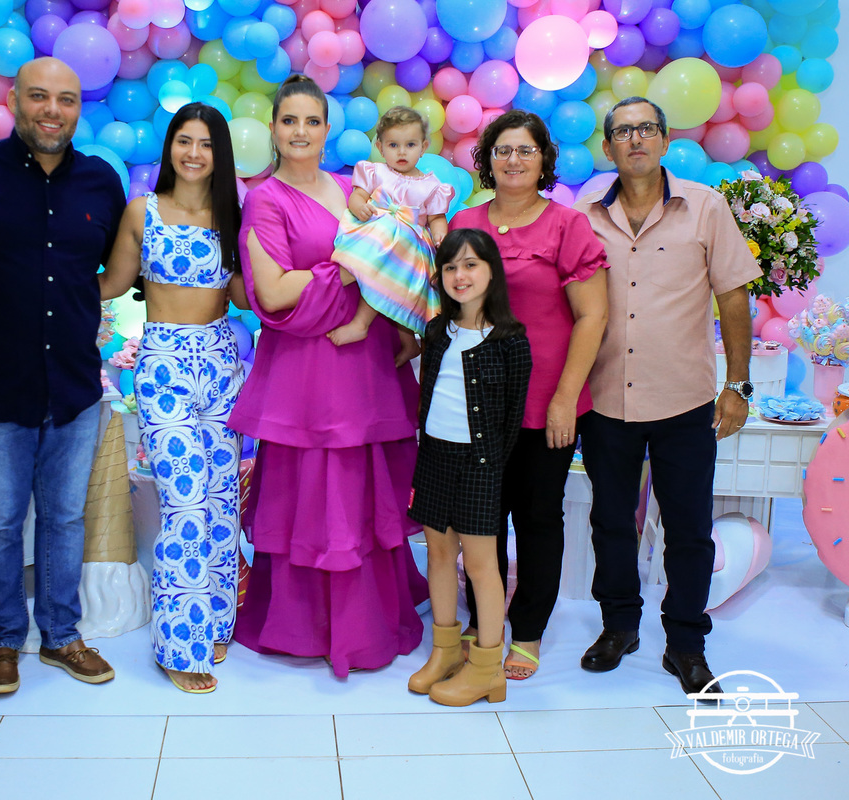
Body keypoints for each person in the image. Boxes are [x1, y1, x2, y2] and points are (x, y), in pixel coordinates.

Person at [0, 57, 127, 694]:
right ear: (14, 100)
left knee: (65, 519)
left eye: (65, 100)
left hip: (74, 385)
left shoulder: (101, 182)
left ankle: (62, 634)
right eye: (39, 96)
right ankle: (3, 639)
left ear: (79, 108)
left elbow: (110, 271)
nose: (52, 111)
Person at [229, 74, 428, 677]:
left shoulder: (353, 189)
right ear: (273, 129)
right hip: (306, 375)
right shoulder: (265, 200)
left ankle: (368, 622)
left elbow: (401, 256)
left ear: (327, 129)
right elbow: (274, 293)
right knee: (312, 493)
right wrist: (348, 267)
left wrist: (381, 292)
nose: (301, 132)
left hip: (365, 366)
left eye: (312, 121)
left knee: (363, 493)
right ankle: (305, 626)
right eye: (289, 120)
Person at [574, 97, 758, 696]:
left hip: (684, 400)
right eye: (623, 131)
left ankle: (685, 644)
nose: (635, 139)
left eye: (646, 129)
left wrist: (737, 385)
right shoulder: (584, 214)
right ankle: (619, 628)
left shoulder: (705, 207)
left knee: (688, 529)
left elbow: (733, 295)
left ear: (665, 139)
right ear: (608, 147)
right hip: (605, 399)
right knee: (611, 522)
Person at [449, 110, 610, 680]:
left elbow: (592, 316)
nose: (513, 160)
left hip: (546, 400)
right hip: (474, 403)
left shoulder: (568, 225)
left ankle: (528, 630)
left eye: (525, 150)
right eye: (502, 150)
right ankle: (482, 620)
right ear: (487, 160)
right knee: (480, 519)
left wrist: (566, 398)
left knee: (538, 517)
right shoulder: (466, 221)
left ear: (544, 160)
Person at [97, 103, 246, 694]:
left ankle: (213, 622)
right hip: (164, 366)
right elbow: (112, 283)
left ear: (219, 153)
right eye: (184, 140)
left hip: (222, 364)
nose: (194, 153)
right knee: (185, 501)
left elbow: (246, 293)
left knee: (221, 501)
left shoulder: (231, 215)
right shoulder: (143, 211)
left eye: (206, 143)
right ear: (170, 147)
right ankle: (179, 645)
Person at [408, 229, 532, 706]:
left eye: (470, 264)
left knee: (481, 565)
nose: (460, 275)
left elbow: (512, 418)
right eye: (450, 267)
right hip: (434, 457)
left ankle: (485, 669)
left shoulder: (510, 341)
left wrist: (490, 468)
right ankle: (444, 652)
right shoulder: (437, 331)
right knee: (438, 555)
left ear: (492, 271)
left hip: (481, 464)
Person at [326, 106, 454, 362]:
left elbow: (437, 218)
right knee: (382, 272)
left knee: (401, 290)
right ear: (381, 147)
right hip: (377, 235)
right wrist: (359, 207)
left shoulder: (432, 186)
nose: (402, 152)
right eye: (393, 145)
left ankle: (380, 331)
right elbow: (357, 196)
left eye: (410, 145)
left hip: (409, 248)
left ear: (424, 147)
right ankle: (371, 327)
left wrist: (441, 237)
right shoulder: (376, 172)